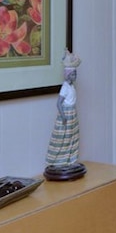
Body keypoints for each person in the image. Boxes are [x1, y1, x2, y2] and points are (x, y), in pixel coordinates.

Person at [44, 49, 86, 178]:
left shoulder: (71, 87)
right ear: (68, 75)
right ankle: (58, 160)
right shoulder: (65, 87)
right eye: (73, 74)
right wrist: (63, 116)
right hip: (66, 114)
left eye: (75, 74)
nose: (75, 77)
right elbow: (59, 103)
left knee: (73, 136)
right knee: (64, 137)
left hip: (72, 112)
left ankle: (70, 159)